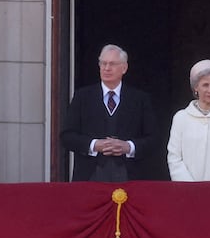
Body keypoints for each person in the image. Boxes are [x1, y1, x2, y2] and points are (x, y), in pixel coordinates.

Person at [60, 44, 158, 182]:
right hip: (89, 175)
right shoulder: (83, 97)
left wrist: (128, 147)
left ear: (124, 68)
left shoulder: (139, 99)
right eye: (103, 63)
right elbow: (67, 136)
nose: (106, 68)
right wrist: (94, 145)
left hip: (129, 175)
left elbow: (153, 139)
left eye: (112, 64)